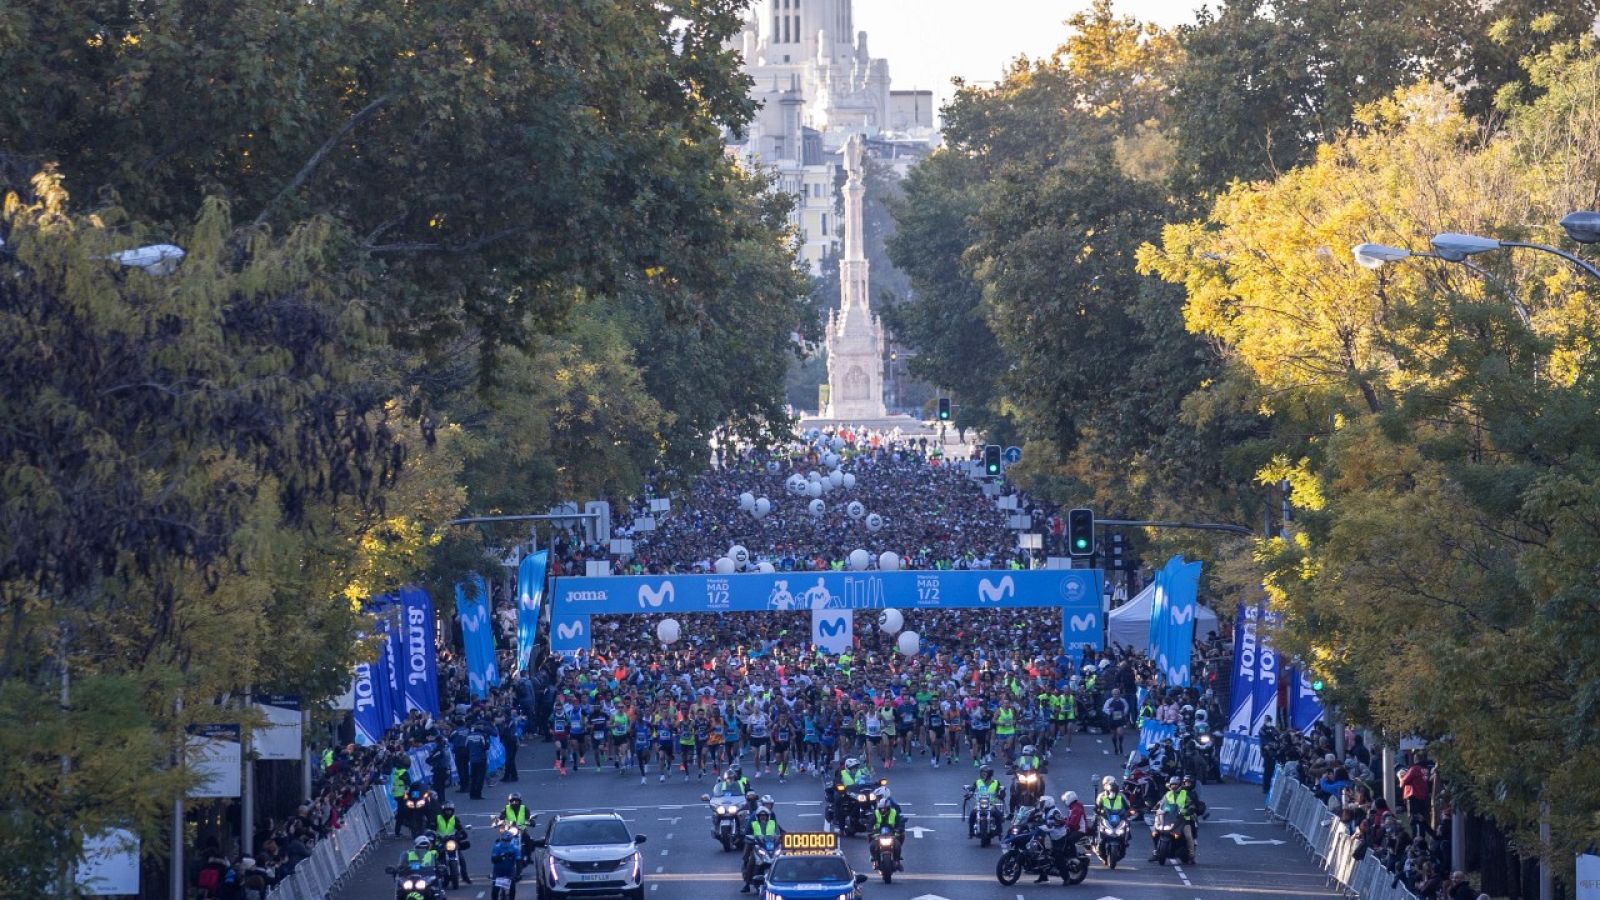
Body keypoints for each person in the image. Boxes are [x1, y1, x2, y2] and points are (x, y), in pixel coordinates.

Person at [740, 806, 782, 893]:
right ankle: (747, 884)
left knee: (782, 860)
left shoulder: (772, 824)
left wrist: (781, 838)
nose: (763, 817)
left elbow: (779, 833)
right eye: (761, 816)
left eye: (765, 815)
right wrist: (751, 838)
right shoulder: (754, 824)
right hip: (758, 847)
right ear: (758, 817)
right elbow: (747, 834)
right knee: (751, 863)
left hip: (771, 847)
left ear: (768, 816)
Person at [434, 800, 472, 884]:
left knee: (461, 858)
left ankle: (465, 876)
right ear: (443, 811)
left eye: (450, 810)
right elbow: (430, 829)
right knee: (435, 858)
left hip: (452, 842)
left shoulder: (455, 819)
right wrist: (435, 835)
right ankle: (435, 877)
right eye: (447, 810)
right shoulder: (437, 818)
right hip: (440, 842)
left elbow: (461, 830)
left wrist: (460, 835)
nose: (448, 812)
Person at [872, 787, 905, 867]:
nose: (877, 798)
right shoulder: (877, 808)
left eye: (879, 796)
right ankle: (874, 858)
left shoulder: (893, 807)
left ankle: (897, 860)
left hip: (892, 831)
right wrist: (870, 830)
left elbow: (899, 818)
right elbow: (871, 820)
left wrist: (899, 830)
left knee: (898, 842)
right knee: (872, 844)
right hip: (879, 832)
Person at [969, 764, 1005, 836]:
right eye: (982, 772)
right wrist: (969, 793)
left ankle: (999, 832)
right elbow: (972, 789)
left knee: (998, 816)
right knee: (972, 815)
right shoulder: (977, 782)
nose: (982, 774)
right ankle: (971, 832)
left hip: (991, 805)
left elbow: (1001, 791)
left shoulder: (996, 782)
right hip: (979, 804)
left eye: (984, 772)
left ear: (989, 774)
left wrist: (1001, 794)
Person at [490, 829, 522, 898]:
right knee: (495, 890)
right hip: (498, 871)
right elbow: (493, 860)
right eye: (504, 840)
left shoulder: (515, 848)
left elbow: (518, 862)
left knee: (512, 888)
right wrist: (502, 856)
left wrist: (518, 874)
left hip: (510, 871)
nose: (505, 842)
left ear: (510, 840)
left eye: (508, 841)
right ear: (501, 839)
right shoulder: (497, 847)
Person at [1103, 688, 1132, 756]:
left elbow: (1126, 707)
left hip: (1120, 720)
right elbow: (1104, 709)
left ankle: (1120, 744)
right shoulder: (1109, 701)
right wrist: (1109, 711)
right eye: (1114, 694)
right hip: (1112, 720)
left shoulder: (1123, 700)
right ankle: (1115, 747)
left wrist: (1124, 712)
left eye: (1117, 694)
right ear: (1112, 694)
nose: (1116, 695)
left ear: (1119, 694)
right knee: (1113, 736)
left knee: (1120, 733)